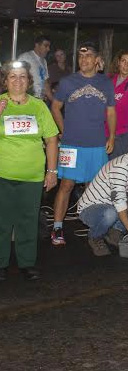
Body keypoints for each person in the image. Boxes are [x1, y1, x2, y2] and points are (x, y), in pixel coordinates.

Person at [50, 42, 116, 246]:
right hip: (72, 145)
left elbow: (111, 111)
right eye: (80, 57)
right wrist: (63, 130)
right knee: (66, 185)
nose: (84, 60)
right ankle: (57, 228)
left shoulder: (105, 83)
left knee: (94, 187)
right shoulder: (68, 82)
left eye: (88, 57)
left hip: (96, 144)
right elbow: (55, 107)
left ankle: (95, 229)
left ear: (97, 60)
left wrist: (111, 136)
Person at [0, 61, 58, 281]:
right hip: (2, 174)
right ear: (5, 81)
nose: (17, 81)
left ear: (29, 81)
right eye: (12, 76)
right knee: (2, 220)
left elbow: (51, 139)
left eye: (22, 76)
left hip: (32, 176)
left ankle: (27, 262)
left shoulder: (38, 106)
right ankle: (1, 263)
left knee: (28, 220)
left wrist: (52, 171)